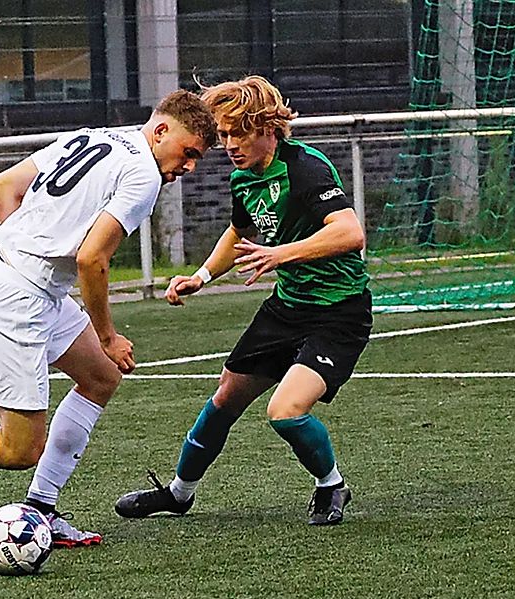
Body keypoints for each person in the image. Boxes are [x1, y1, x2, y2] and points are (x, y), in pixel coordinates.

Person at [0, 90, 217, 547]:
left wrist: (25, 247)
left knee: (100, 378)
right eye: (188, 153)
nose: (189, 167)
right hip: (16, 298)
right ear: (162, 130)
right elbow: (93, 260)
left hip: (23, 280)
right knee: (19, 449)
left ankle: (41, 510)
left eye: (198, 160)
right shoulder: (143, 174)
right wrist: (107, 335)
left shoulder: (98, 136)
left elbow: (2, 185)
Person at [114, 76, 372, 526]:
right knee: (224, 399)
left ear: (268, 127)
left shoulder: (304, 168)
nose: (230, 144)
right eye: (224, 134)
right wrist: (201, 276)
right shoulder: (243, 178)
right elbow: (241, 233)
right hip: (287, 307)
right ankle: (179, 494)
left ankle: (331, 485)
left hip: (339, 312)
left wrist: (281, 254)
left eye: (239, 133)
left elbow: (350, 233)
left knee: (285, 411)